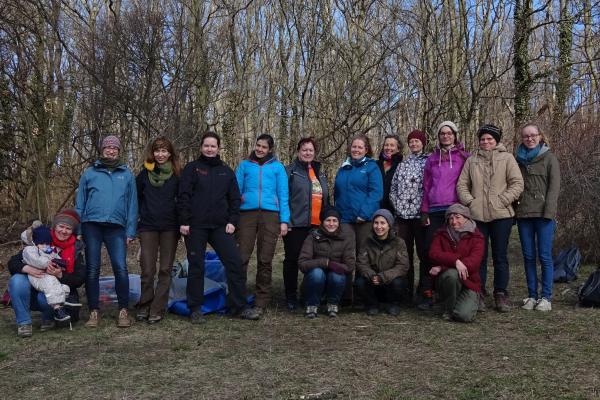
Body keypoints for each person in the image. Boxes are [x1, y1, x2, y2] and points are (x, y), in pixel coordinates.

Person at [179, 131, 260, 323]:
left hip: (220, 227)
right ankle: (195, 309)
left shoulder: (226, 170)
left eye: (213, 146)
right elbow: (183, 196)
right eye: (206, 145)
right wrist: (184, 221)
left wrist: (232, 221)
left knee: (234, 263)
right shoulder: (192, 169)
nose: (209, 149)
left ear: (218, 148)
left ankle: (239, 306)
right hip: (196, 227)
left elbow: (234, 199)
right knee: (196, 266)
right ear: (201, 147)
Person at [457, 124, 524, 312]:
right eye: (483, 139)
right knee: (479, 256)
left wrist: (503, 200)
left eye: (490, 139)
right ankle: (479, 292)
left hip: (501, 215)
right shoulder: (471, 160)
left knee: (500, 256)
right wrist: (471, 202)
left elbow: (517, 183)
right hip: (477, 216)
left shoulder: (507, 158)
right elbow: (462, 185)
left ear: (496, 140)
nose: (486, 142)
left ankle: (500, 294)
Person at [76, 135, 138, 328]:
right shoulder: (89, 173)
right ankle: (94, 311)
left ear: (119, 151)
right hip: (91, 225)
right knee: (93, 268)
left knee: (120, 267)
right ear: (102, 150)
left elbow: (132, 205)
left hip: (116, 227)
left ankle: (123, 310)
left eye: (115, 148)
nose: (111, 151)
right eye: (107, 148)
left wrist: (130, 231)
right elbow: (80, 204)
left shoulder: (126, 174)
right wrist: (78, 229)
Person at [8, 209, 86, 337]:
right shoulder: (42, 239)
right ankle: (24, 323)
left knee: (46, 294)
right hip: (36, 286)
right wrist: (28, 268)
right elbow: (13, 262)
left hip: (56, 293)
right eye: (61, 226)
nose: (64, 231)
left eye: (68, 228)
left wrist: (60, 275)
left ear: (73, 231)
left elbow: (80, 278)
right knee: (17, 280)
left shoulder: (76, 249)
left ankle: (49, 317)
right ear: (55, 227)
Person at [235, 134, 290, 314]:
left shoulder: (277, 168)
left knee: (265, 259)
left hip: (271, 215)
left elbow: (283, 194)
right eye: (258, 145)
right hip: (246, 215)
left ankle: (261, 301)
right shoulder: (244, 165)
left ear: (270, 149)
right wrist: (233, 217)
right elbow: (235, 192)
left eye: (264, 147)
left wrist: (284, 220)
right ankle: (237, 299)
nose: (260, 149)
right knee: (241, 257)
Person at [419, 121, 470, 309]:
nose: (446, 136)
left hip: (454, 210)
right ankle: (427, 291)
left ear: (455, 135)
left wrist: (465, 209)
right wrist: (424, 210)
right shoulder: (432, 159)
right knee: (429, 250)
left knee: (454, 250)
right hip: (433, 210)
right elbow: (425, 186)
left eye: (449, 133)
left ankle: (454, 290)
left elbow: (467, 183)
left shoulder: (464, 157)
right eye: (442, 133)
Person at [515, 123, 560, 312]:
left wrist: (549, 212)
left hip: (543, 215)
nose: (530, 138)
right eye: (526, 136)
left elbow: (554, 188)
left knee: (544, 256)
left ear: (540, 136)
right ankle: (532, 295)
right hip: (524, 214)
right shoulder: (517, 159)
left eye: (533, 135)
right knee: (528, 256)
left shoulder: (549, 158)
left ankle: (546, 297)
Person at [135, 137, 181, 324]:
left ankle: (157, 308)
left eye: (164, 151)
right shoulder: (144, 175)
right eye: (157, 151)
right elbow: (136, 201)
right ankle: (145, 304)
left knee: (165, 269)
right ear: (152, 153)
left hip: (170, 227)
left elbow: (184, 200)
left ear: (170, 153)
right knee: (147, 268)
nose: (160, 154)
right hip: (148, 227)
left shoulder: (178, 175)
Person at [283, 137, 329, 311]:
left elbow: (326, 198)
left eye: (310, 150)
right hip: (296, 224)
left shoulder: (319, 172)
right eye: (304, 150)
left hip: (317, 225)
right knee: (293, 260)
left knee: (314, 261)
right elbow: (283, 197)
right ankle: (290, 296)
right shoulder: (290, 171)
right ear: (298, 152)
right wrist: (285, 221)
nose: (307, 153)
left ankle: (309, 293)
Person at [389, 129, 429, 301]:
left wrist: (425, 210)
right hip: (402, 216)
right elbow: (394, 187)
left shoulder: (429, 161)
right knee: (405, 254)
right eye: (411, 141)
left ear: (423, 143)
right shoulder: (403, 164)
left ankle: (424, 290)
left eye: (417, 141)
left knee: (423, 253)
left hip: (420, 216)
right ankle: (405, 290)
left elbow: (430, 187)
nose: (413, 144)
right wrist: (397, 207)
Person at [428, 204, 484, 322]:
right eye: (451, 218)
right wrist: (455, 261)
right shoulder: (441, 234)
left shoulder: (477, 237)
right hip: (449, 280)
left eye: (458, 217)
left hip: (469, 282)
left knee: (464, 316)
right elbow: (433, 254)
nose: (454, 222)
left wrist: (442, 266)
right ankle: (448, 309)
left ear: (466, 218)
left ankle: (471, 301)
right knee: (451, 275)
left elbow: (474, 262)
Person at [297, 207, 356, 318]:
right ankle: (312, 305)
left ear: (339, 222)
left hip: (335, 279)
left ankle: (333, 304)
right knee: (317, 273)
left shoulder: (346, 239)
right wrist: (326, 263)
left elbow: (350, 266)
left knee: (337, 275)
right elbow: (302, 263)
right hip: (315, 278)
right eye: (328, 220)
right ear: (322, 221)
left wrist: (334, 266)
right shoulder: (312, 237)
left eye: (335, 221)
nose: (331, 224)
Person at [355, 209, 410, 316]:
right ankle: (372, 304)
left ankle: (394, 304)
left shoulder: (399, 243)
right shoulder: (366, 241)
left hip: (390, 283)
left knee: (398, 282)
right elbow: (361, 264)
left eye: (382, 223)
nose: (379, 226)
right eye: (376, 223)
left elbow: (402, 266)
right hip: (373, 282)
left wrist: (383, 277)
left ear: (389, 225)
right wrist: (372, 276)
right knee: (360, 282)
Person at [334, 134, 383, 251]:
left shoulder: (372, 167)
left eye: (360, 147)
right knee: (346, 253)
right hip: (344, 218)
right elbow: (337, 192)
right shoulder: (343, 168)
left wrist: (364, 214)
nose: (356, 150)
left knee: (363, 254)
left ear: (366, 150)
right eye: (354, 147)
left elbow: (376, 193)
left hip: (363, 219)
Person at [21, 225, 71, 322]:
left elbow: (55, 256)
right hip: (38, 276)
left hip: (47, 275)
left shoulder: (49, 250)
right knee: (50, 283)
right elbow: (36, 260)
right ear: (35, 242)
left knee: (56, 284)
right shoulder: (30, 250)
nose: (45, 246)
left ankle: (62, 298)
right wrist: (48, 262)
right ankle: (58, 309)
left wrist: (60, 263)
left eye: (47, 243)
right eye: (42, 243)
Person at [376, 134, 403, 212]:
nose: (388, 148)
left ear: (398, 149)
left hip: (393, 210)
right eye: (386, 145)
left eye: (392, 145)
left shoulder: (402, 166)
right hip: (375, 209)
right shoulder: (375, 165)